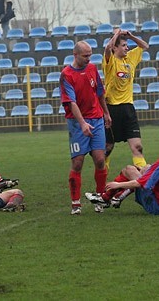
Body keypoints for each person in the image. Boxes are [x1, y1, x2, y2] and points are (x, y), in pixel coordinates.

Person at [60, 41, 112, 215]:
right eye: (85, 56)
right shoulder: (66, 75)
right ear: (75, 55)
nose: (89, 59)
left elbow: (100, 93)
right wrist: (82, 123)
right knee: (78, 162)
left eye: (90, 55)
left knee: (100, 160)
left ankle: (100, 198)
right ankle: (76, 203)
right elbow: (71, 102)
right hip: (77, 123)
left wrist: (106, 113)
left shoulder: (92, 69)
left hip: (96, 120)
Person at [86, 133, 159, 215]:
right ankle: (117, 197)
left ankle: (106, 198)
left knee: (129, 170)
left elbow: (141, 184)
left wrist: (117, 185)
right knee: (146, 168)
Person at [102, 29, 150, 173]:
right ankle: (101, 181)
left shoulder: (130, 59)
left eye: (126, 45)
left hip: (128, 108)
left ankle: (143, 182)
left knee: (137, 147)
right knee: (108, 148)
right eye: (123, 45)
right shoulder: (109, 61)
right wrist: (116, 34)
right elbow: (107, 49)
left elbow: (144, 46)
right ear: (115, 47)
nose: (127, 47)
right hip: (111, 109)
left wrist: (130, 36)